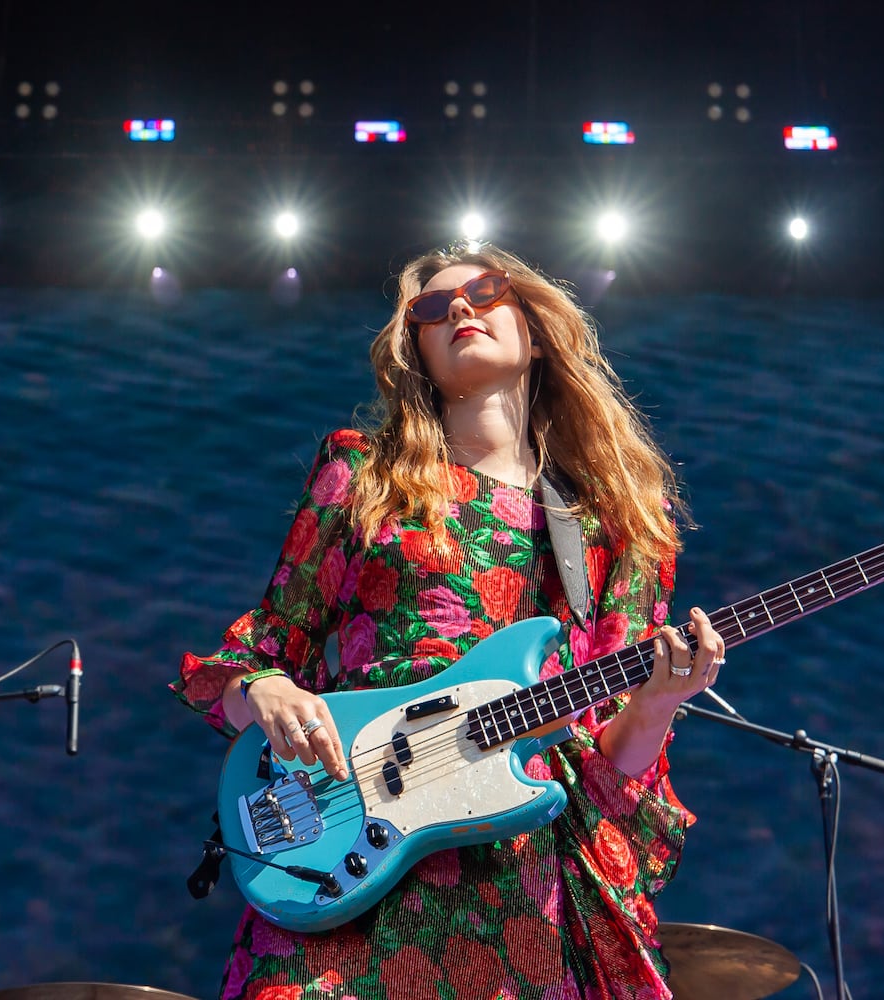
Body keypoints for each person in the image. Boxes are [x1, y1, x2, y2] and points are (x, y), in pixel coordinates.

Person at [172, 242, 726, 1000]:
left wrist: (660, 701)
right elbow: (258, 649)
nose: (459, 308)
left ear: (535, 323)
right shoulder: (362, 475)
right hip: (340, 842)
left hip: (513, 873)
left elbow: (610, 758)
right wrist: (262, 692)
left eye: (486, 291)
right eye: (431, 308)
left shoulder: (618, 519)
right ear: (416, 352)